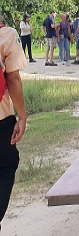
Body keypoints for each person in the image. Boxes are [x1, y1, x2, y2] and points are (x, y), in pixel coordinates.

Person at [0, 18, 28, 231]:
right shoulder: (6, 36)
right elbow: (13, 80)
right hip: (1, 122)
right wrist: (23, 116)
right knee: (5, 168)